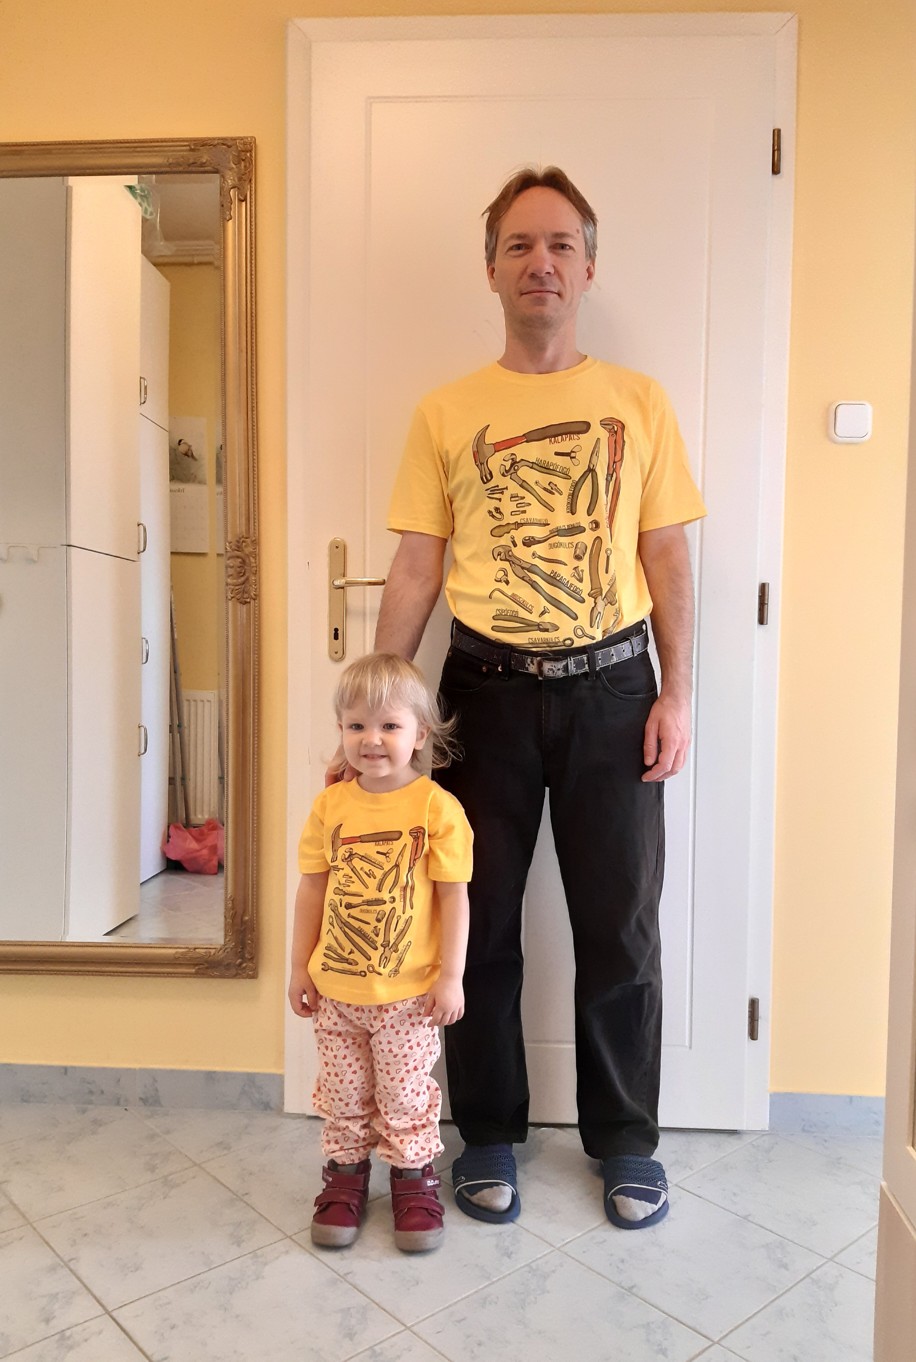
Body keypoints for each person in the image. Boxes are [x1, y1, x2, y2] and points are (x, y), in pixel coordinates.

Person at [372, 166, 707, 1230]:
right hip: (484, 696)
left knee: (622, 926)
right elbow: (417, 567)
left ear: (589, 266)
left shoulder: (640, 403)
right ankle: (488, 1133)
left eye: (561, 243)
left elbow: (666, 554)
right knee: (475, 921)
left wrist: (678, 692)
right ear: (491, 269)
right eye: (519, 244)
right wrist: (382, 714)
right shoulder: (445, 412)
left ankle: (627, 1141)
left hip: (615, 693)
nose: (541, 262)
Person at [289, 652, 473, 1252]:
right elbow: (312, 889)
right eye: (357, 725)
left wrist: (451, 976)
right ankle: (344, 1179)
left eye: (389, 725)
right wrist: (298, 967)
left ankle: (413, 1183)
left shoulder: (437, 809)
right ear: (341, 730)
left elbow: (454, 898)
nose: (371, 739)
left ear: (420, 733)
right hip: (337, 994)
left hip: (408, 999)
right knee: (343, 1096)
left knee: (404, 1096)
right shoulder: (330, 806)